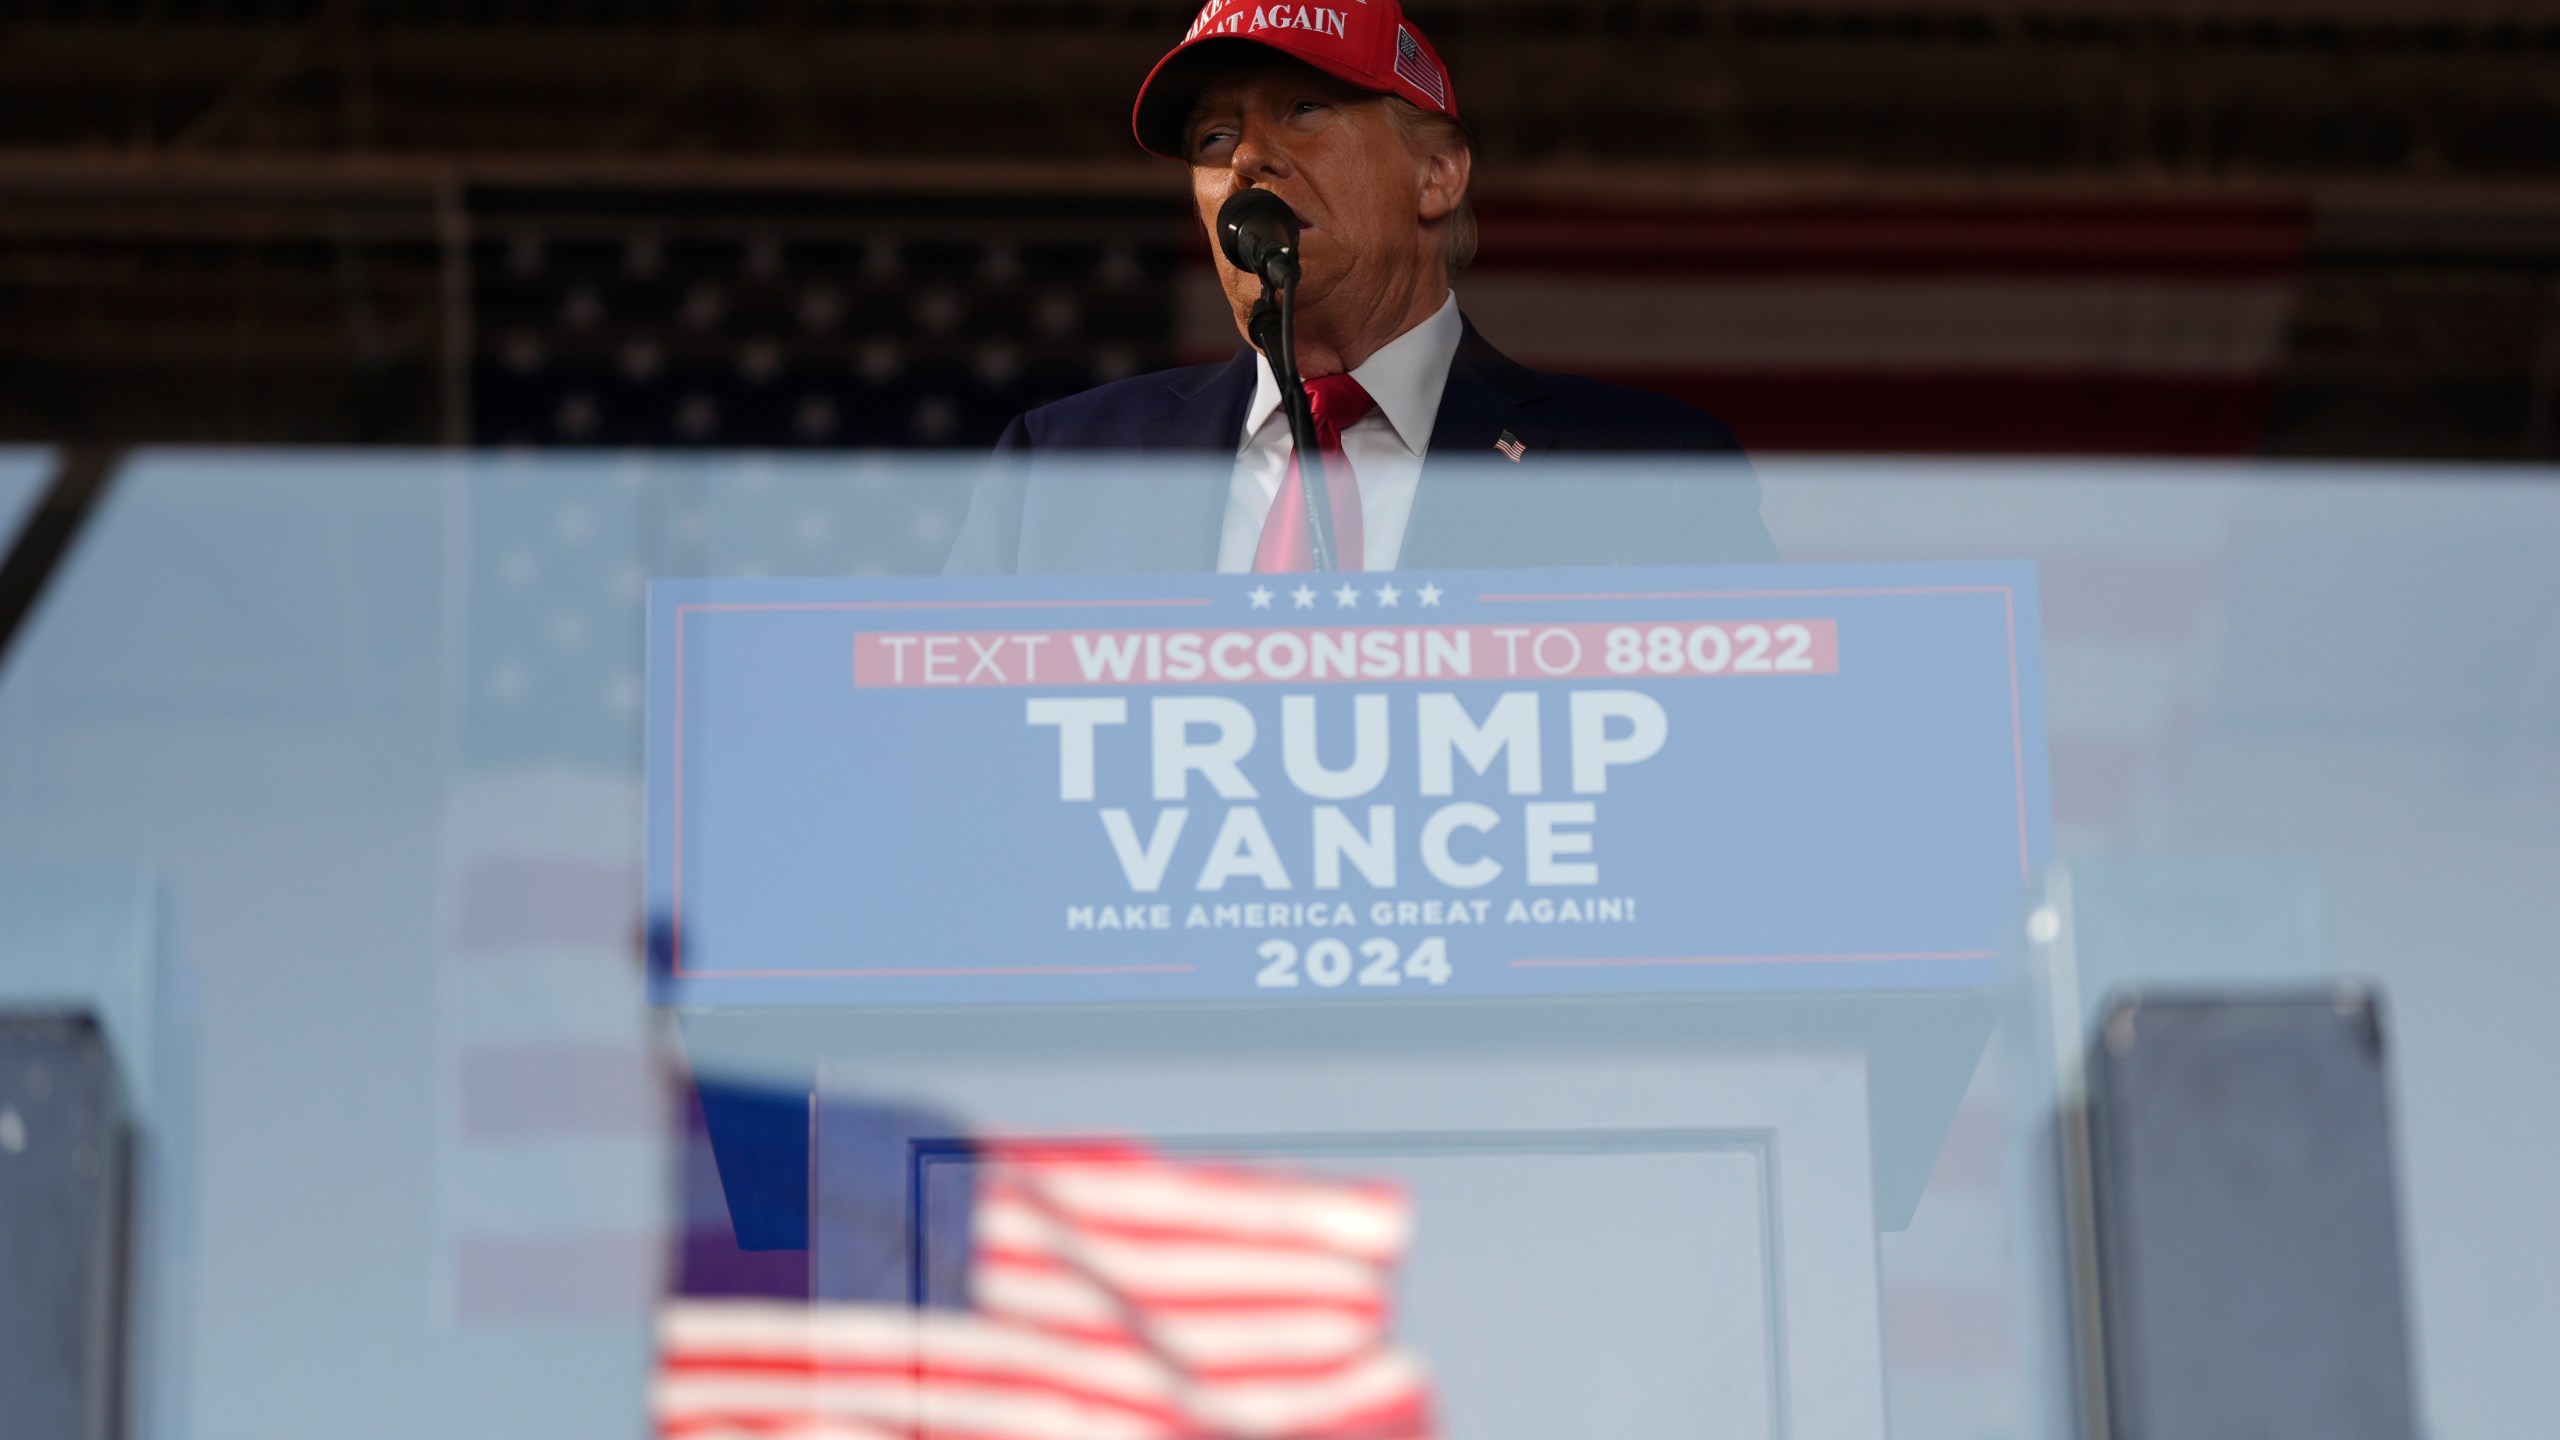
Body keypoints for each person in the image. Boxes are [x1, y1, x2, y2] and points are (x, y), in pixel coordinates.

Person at [944, 0, 1774, 575]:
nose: (1247, 159)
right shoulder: (1058, 467)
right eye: (1215, 134)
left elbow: (1728, 773)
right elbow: (956, 767)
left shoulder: (1651, 474)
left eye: (1304, 107)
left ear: (1438, 175)